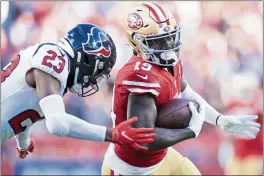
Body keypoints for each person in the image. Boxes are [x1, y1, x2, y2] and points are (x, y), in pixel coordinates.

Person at [101, 2, 260, 175]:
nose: (169, 45)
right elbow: (143, 141)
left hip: (161, 158)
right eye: (160, 41)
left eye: (171, 37)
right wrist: (189, 132)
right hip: (131, 170)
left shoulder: (170, 63)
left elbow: (188, 94)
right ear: (138, 43)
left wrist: (219, 120)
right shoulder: (138, 76)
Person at [1, 24, 156, 159]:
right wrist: (111, 134)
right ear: (87, 59)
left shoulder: (54, 71)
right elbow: (57, 123)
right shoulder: (55, 59)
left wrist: (23, 143)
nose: (94, 79)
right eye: (99, 70)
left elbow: (22, 104)